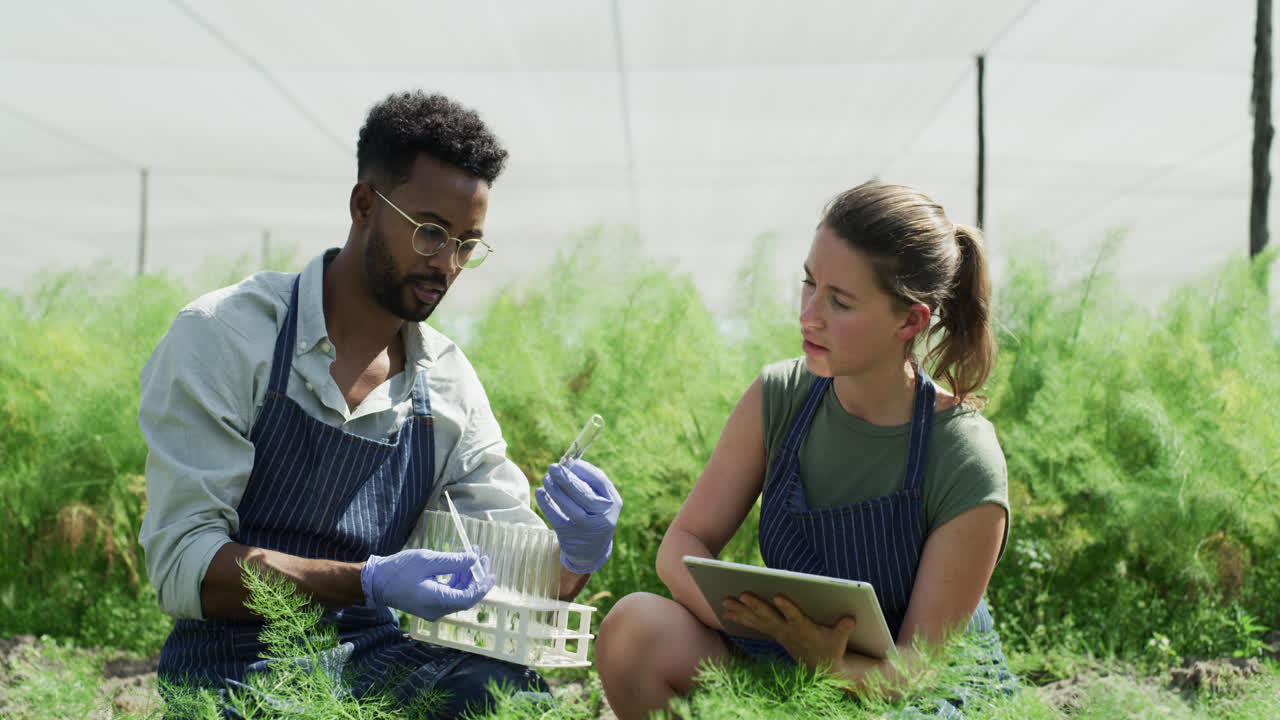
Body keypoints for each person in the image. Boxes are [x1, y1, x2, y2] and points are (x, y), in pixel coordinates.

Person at [138, 90, 622, 718]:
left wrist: (576, 553)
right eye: (429, 232)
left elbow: (513, 580)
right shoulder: (227, 336)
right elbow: (185, 565)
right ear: (364, 204)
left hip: (375, 657)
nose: (446, 263)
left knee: (509, 698)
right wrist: (365, 579)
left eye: (467, 244)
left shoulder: (447, 385)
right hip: (232, 668)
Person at [596, 181, 1013, 719]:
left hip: (914, 697)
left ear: (910, 320)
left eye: (839, 301)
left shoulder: (963, 455)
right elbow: (682, 544)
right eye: (809, 284)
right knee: (635, 630)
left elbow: (918, 669)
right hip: (791, 662)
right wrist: (757, 624)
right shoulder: (780, 397)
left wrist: (828, 662)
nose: (809, 315)